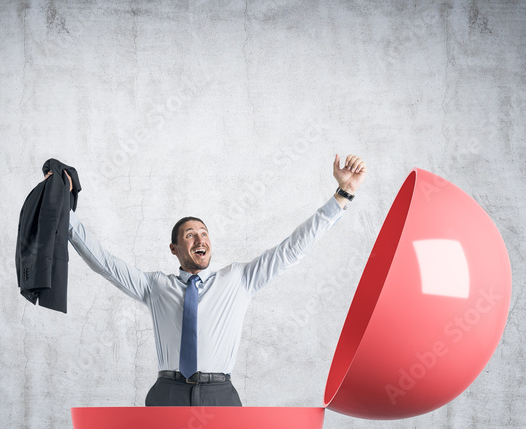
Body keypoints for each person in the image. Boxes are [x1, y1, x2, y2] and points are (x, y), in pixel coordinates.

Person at [46, 154, 366, 405]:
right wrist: (62, 208)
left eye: (204, 233)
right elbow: (105, 262)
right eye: (190, 234)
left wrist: (343, 194)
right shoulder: (155, 287)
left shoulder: (240, 279)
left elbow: (293, 247)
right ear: (174, 248)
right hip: (167, 393)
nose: (200, 239)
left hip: (220, 394)